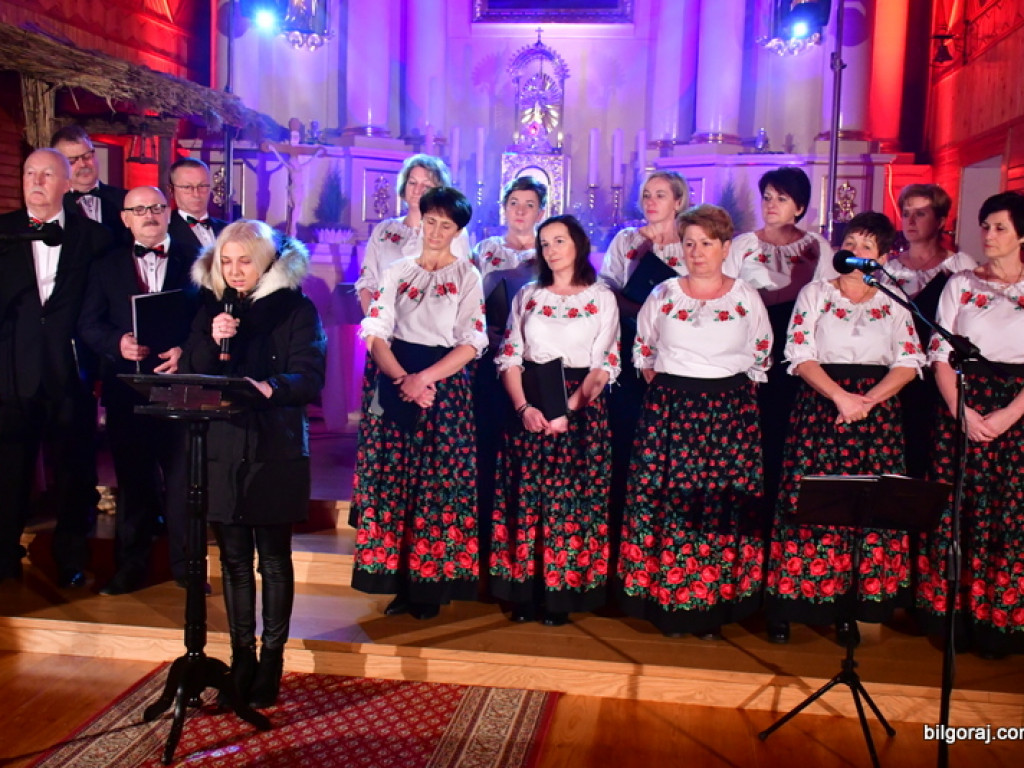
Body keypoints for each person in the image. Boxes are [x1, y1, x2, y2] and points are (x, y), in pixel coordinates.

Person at [180, 220, 326, 707]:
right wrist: (209, 340)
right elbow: (193, 372)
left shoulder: (296, 308)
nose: (235, 270)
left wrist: (272, 387)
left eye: (245, 260)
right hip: (222, 446)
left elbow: (309, 375)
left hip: (273, 447)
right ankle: (241, 656)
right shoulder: (210, 307)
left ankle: (271, 660)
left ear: (265, 261)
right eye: (226, 260)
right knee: (234, 560)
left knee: (274, 561)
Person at [763, 211, 925, 646]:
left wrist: (867, 401)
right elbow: (799, 352)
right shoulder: (816, 293)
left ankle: (847, 607)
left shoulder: (893, 300)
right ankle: (789, 603)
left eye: (866, 246)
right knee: (811, 503)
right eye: (849, 243)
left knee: (864, 509)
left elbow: (909, 360)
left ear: (883, 257)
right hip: (823, 407)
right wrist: (840, 397)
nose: (853, 252)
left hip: (875, 415)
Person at [618, 204, 772, 639]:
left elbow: (761, 353)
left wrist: (728, 399)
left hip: (728, 415)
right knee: (671, 506)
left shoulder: (744, 296)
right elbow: (644, 349)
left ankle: (712, 605)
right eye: (689, 243)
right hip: (671, 412)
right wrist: (673, 392)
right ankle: (670, 601)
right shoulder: (664, 293)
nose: (697, 251)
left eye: (707, 243)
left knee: (716, 507)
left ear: (725, 247)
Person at [351, 187, 487, 619]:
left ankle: (430, 588)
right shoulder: (396, 271)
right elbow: (376, 330)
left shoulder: (468, 276)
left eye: (446, 225)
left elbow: (472, 341)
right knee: (394, 485)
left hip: (442, 383)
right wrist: (401, 379)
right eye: (430, 221)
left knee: (436, 489)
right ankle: (397, 582)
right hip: (396, 373)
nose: (435, 231)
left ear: (457, 230)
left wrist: (424, 379)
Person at [490, 215, 619, 626]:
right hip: (530, 402)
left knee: (570, 505)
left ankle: (561, 595)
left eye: (559, 241)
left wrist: (568, 412)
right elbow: (510, 355)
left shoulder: (601, 297)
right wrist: (524, 408)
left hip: (580, 407)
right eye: (544, 244)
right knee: (526, 501)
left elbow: (604, 364)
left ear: (577, 244)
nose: (551, 250)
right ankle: (523, 592)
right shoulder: (528, 294)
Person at [916, 191, 1024, 659]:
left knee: (1008, 512)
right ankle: (950, 614)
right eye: (985, 226)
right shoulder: (960, 283)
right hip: (963, 405)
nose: (989, 235)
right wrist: (965, 412)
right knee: (960, 509)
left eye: (1000, 227)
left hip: (1016, 409)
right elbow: (939, 354)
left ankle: (1001, 616)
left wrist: (1010, 414)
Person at [78, 186, 199, 594]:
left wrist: (187, 350)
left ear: (168, 213)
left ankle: (188, 568)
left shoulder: (196, 260)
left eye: (156, 208)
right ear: (125, 218)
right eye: (139, 209)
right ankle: (131, 566)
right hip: (126, 389)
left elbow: (212, 317)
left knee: (183, 481)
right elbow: (88, 324)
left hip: (181, 386)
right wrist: (117, 343)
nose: (149, 215)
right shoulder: (105, 266)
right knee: (133, 481)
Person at [0, 149, 111, 586]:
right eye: (30, 172)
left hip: (71, 372)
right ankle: (5, 558)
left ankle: (70, 558)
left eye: (48, 174)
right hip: (11, 370)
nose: (36, 180)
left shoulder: (94, 237)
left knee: (73, 471)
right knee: (9, 471)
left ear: (68, 184)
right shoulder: (4, 232)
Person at [598, 171, 690, 573]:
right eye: (647, 195)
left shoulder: (692, 242)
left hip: (677, 353)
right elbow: (606, 288)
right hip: (629, 346)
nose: (652, 201)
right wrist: (640, 311)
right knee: (627, 435)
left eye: (661, 195)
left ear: (679, 202)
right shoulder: (626, 240)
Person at [724, 167, 834, 501]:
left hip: (796, 347)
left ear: (800, 207)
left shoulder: (816, 246)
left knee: (787, 427)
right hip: (750, 346)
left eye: (781, 198)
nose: (771, 204)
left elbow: (827, 297)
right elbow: (726, 295)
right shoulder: (742, 244)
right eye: (767, 197)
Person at [472, 176, 547, 580]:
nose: (520, 210)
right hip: (488, 359)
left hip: (534, 365)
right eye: (514, 202)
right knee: (489, 445)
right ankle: (486, 537)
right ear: (504, 208)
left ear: (541, 211)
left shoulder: (551, 249)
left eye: (529, 204)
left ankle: (523, 542)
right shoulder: (484, 251)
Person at [884, 184, 979, 477]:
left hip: (941, 372)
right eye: (906, 213)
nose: (910, 221)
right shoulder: (888, 269)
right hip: (898, 371)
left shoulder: (959, 266)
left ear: (939, 221)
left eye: (920, 214)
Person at [50, 125, 128, 239]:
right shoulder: (53, 206)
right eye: (72, 161)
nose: (83, 164)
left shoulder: (126, 200)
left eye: (87, 156)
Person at [167, 157, 227, 259]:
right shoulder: (165, 231)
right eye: (187, 187)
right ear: (171, 190)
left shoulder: (227, 230)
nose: (196, 194)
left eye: (202, 186)